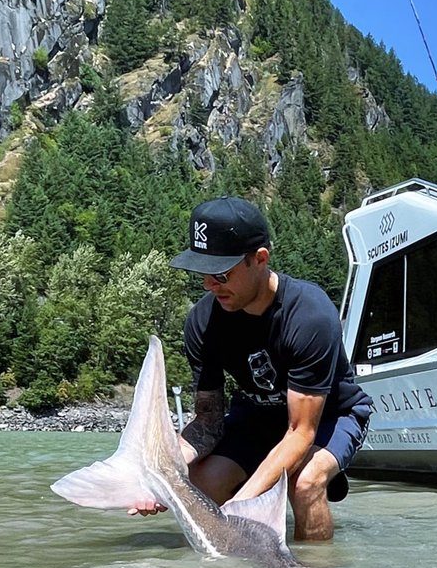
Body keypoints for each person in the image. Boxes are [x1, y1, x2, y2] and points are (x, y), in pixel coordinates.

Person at [132, 196, 373, 541]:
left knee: (305, 481)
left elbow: (301, 433)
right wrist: (162, 475)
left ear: (259, 259)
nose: (209, 286)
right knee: (202, 481)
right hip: (256, 419)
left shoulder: (309, 315)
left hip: (330, 416)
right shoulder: (202, 321)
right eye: (202, 274)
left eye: (220, 274)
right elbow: (207, 422)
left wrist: (242, 503)